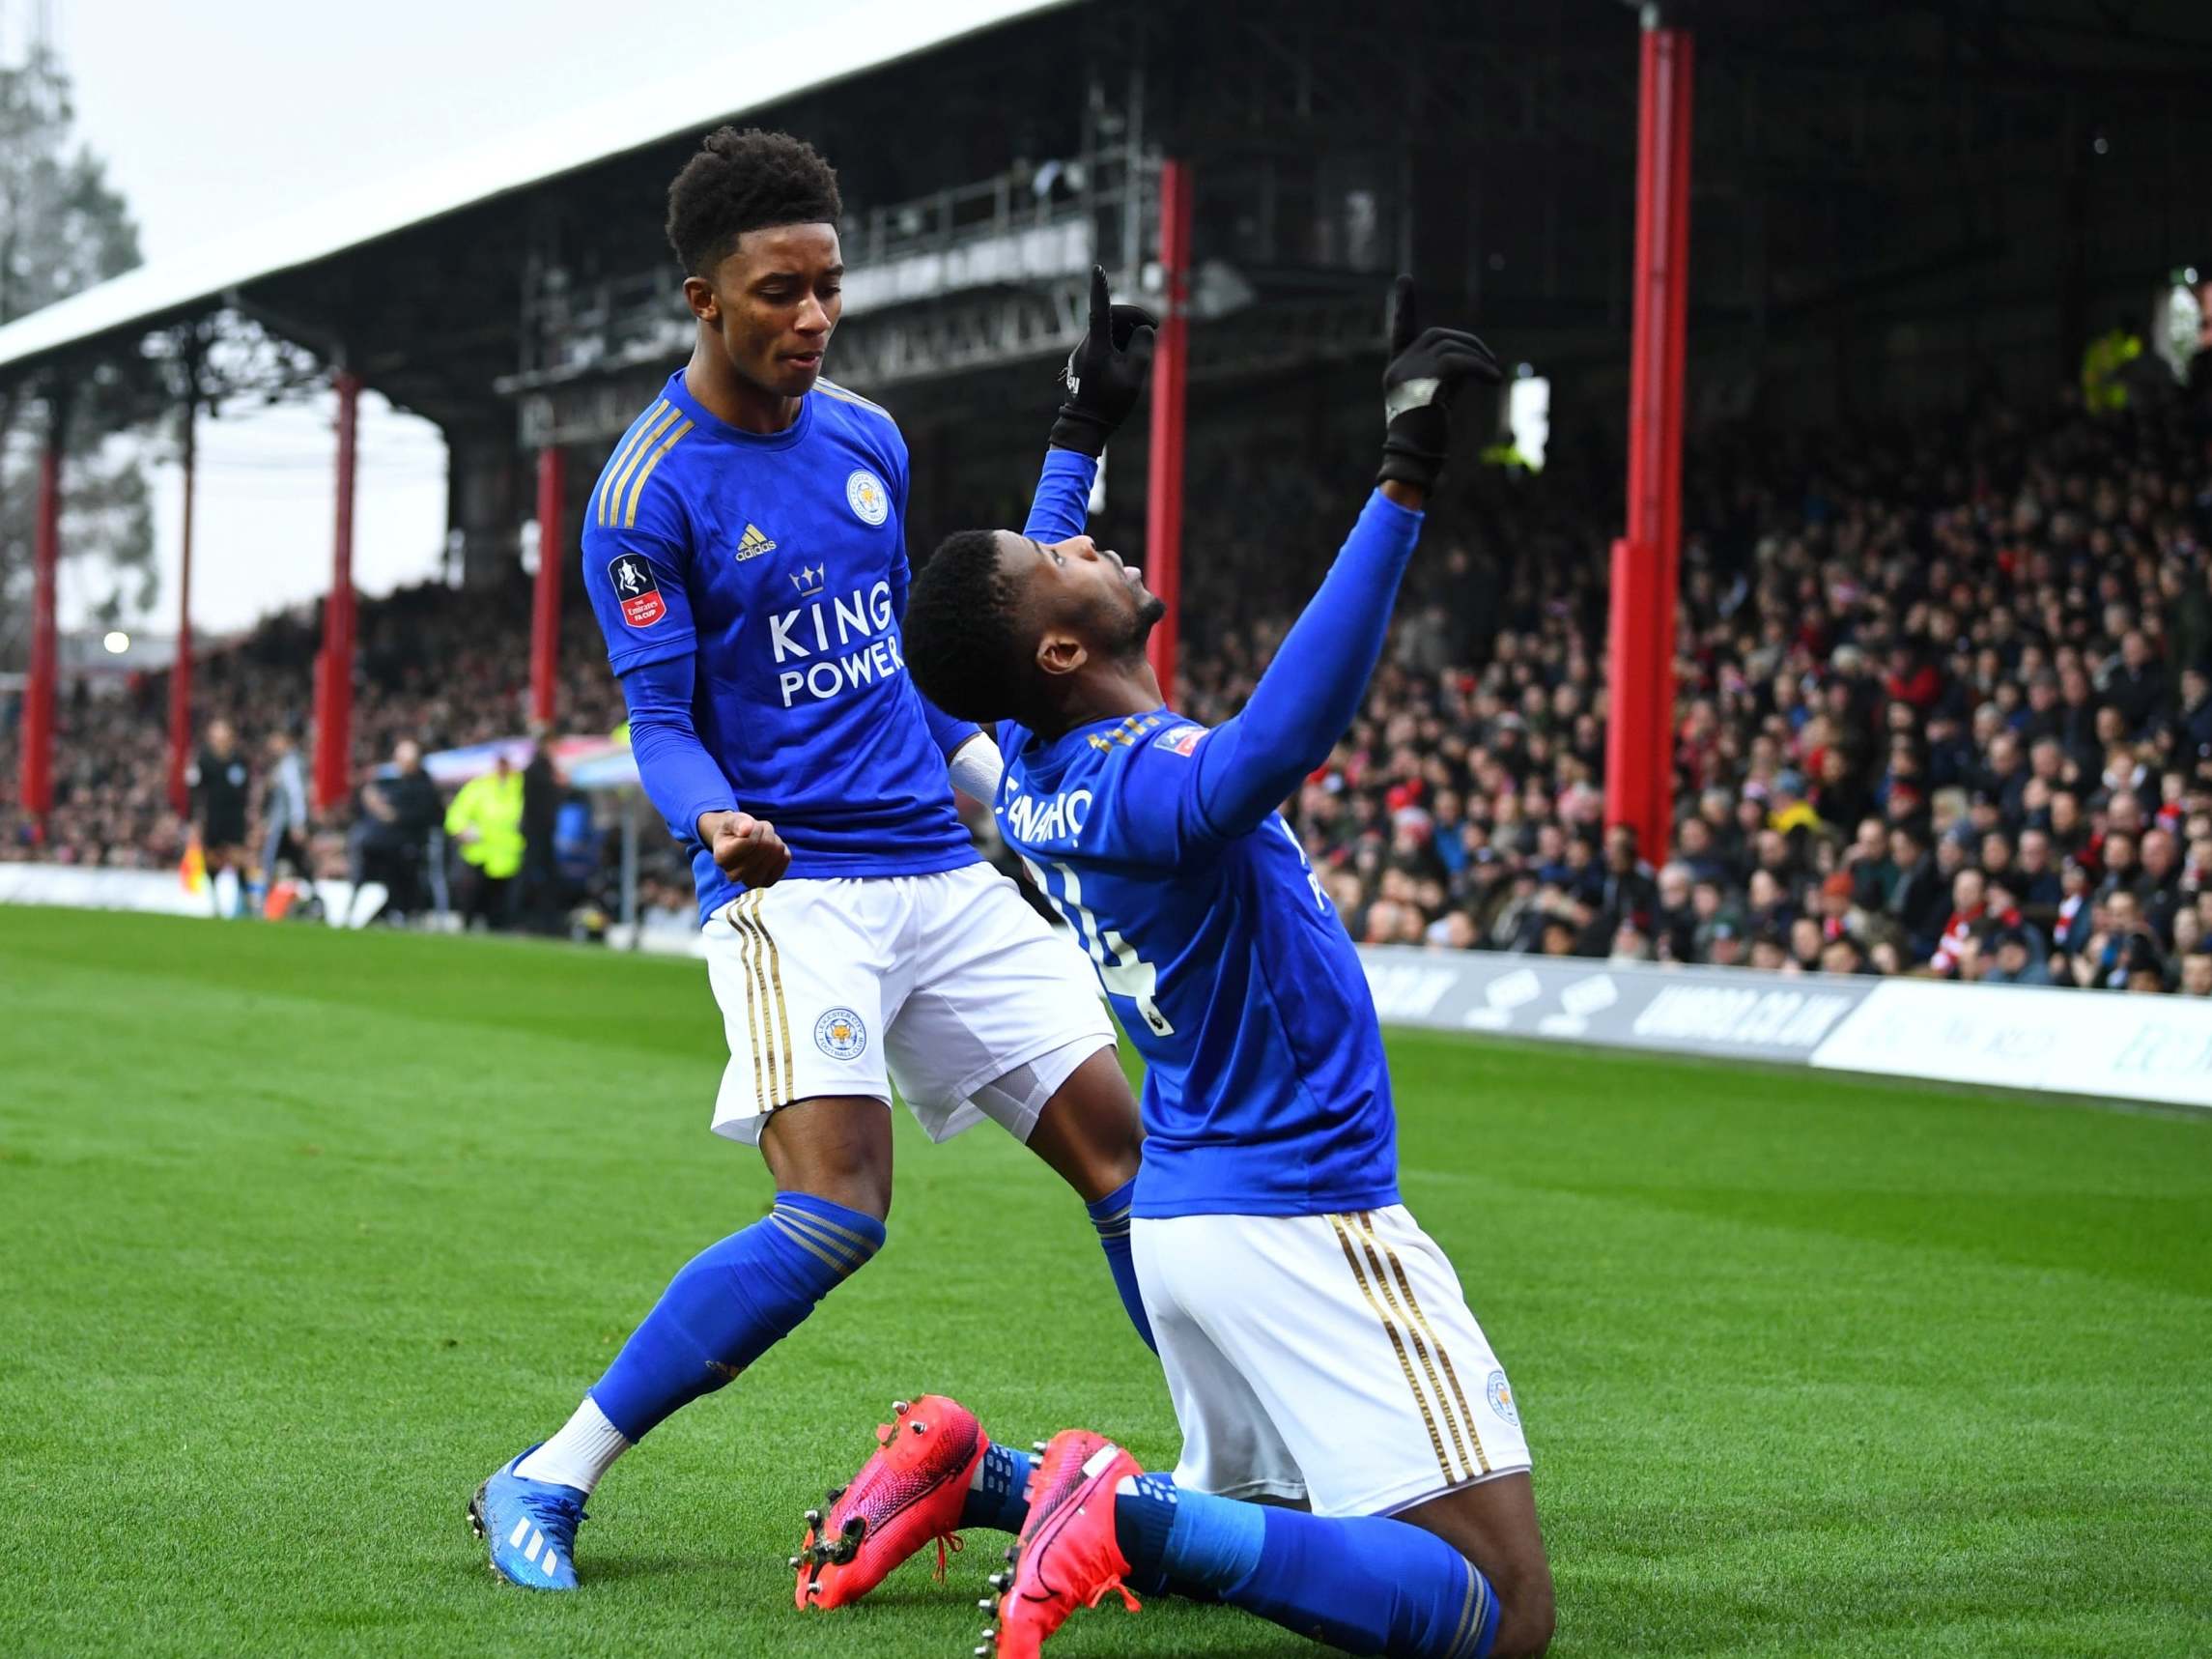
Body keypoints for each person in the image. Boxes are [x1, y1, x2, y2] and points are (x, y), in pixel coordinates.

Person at [470, 128, 1158, 1592]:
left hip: (938, 870)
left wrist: (993, 789)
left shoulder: (866, 437)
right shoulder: (643, 495)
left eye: (828, 287)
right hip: (795, 896)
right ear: (701, 299)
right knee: (835, 1211)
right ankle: (547, 1473)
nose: (812, 318)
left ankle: (1250, 1478)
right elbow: (658, 719)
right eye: (779, 291)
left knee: (1130, 1166)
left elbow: (920, 654)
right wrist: (714, 816)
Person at [872, 278, 1552, 1658]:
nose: (1094, 545)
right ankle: (1126, 1517)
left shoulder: (1038, 772)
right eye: (1067, 557)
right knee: (1498, 1613)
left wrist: (1081, 424)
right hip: (1297, 1210)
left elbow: (1023, 603)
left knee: (1276, 1514)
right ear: (1062, 646)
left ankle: (992, 1477)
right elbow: (1279, 740)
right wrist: (1402, 477)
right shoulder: (1144, 786)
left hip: (1194, 1216)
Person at [346, 738, 441, 925]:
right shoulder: (388, 781)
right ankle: (362, 909)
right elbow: (366, 803)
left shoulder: (424, 786)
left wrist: (389, 813)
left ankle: (399, 911)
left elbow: (422, 815)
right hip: (377, 843)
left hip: (406, 844)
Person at [444, 753, 525, 930]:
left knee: (501, 903)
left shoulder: (520, 788)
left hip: (509, 855)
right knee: (473, 896)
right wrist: (460, 830)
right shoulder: (480, 786)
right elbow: (457, 813)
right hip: (479, 852)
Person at [185, 718, 251, 919]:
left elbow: (245, 789)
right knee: (212, 859)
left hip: (235, 817)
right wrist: (194, 819)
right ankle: (215, 901)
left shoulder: (239, 760)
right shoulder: (203, 760)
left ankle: (243, 903)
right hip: (213, 817)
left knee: (238, 857)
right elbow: (195, 790)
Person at [258, 729, 312, 897]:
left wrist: (298, 823)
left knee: (270, 861)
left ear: (284, 740)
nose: (272, 745)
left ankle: (266, 901)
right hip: (284, 823)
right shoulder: (288, 762)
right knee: (298, 863)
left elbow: (296, 794)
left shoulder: (290, 763)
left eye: (275, 740)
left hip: (284, 824)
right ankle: (311, 896)